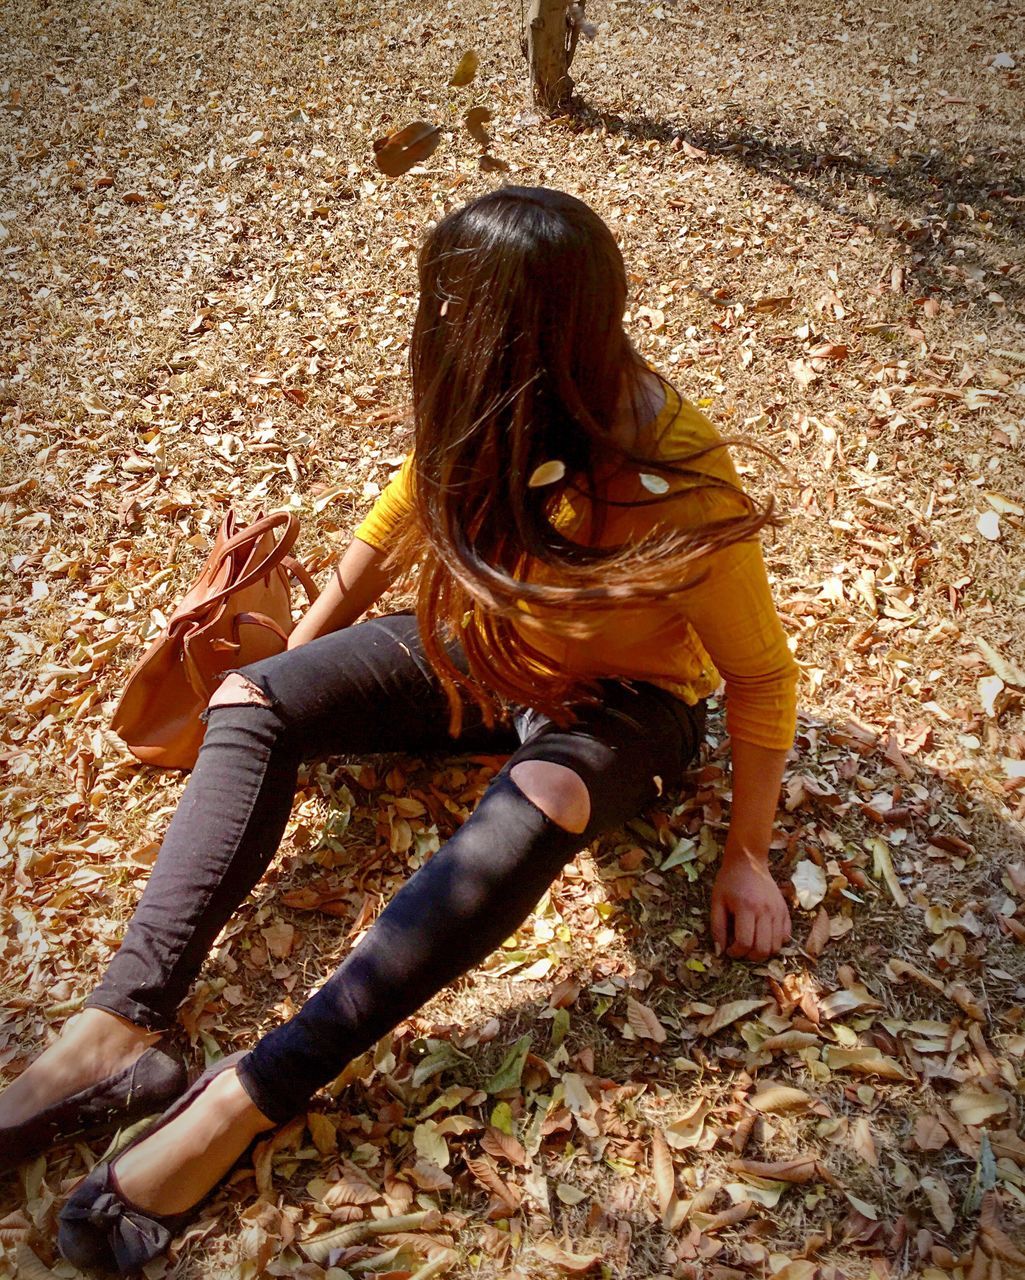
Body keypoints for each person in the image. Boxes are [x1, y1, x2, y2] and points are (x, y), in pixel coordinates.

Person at [0, 187, 797, 1273]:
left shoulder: (671, 468)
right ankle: (117, 1030)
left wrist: (746, 853)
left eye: (460, 323)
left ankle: (247, 1095)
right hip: (485, 645)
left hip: (628, 703)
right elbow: (385, 533)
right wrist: (286, 676)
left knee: (545, 795)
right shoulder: (477, 405)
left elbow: (758, 678)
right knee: (251, 703)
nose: (439, 337)